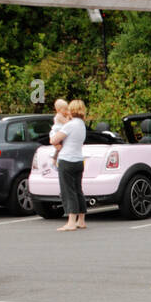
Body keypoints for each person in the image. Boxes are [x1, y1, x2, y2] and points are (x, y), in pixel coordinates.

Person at [52, 99, 88, 231]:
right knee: (78, 190)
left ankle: (71, 222)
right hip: (79, 160)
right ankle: (81, 220)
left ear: (71, 110)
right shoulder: (82, 125)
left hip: (67, 160)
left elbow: (54, 139)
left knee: (68, 191)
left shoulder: (70, 125)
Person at [49, 99, 70, 164]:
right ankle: (54, 161)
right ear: (59, 110)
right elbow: (67, 123)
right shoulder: (59, 116)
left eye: (67, 109)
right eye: (65, 109)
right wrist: (69, 116)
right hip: (56, 133)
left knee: (60, 148)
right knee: (58, 147)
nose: (66, 111)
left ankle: (56, 161)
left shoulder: (62, 115)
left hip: (59, 133)